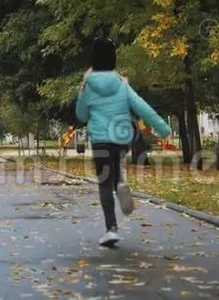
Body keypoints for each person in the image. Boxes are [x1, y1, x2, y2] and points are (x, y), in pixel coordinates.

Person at [76, 37, 172, 247]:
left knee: (103, 183)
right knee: (116, 166)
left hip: (100, 139)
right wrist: (163, 129)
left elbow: (81, 115)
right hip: (121, 138)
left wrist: (88, 104)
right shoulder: (122, 84)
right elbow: (142, 107)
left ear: (93, 59)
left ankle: (111, 229)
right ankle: (120, 182)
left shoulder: (87, 86)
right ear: (113, 59)